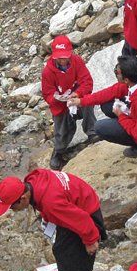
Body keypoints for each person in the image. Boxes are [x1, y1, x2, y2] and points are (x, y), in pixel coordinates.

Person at [0, 170, 107, 271]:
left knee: (70, 253)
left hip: (86, 212)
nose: (13, 210)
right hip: (76, 202)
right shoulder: (34, 180)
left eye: (12, 207)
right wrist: (47, 217)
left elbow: (81, 218)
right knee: (60, 248)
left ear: (23, 199)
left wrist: (90, 240)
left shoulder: (51, 202)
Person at [68, 55, 137, 158]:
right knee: (106, 104)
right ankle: (131, 127)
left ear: (126, 80)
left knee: (100, 127)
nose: (115, 74)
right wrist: (81, 101)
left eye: (117, 73)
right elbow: (111, 91)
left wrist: (122, 116)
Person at [41, 35, 97, 170]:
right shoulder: (48, 71)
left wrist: (77, 94)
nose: (63, 60)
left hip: (76, 100)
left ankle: (92, 133)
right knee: (62, 130)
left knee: (88, 100)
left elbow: (87, 83)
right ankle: (59, 151)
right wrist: (56, 98)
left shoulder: (77, 62)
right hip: (61, 106)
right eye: (59, 57)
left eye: (65, 56)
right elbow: (47, 94)